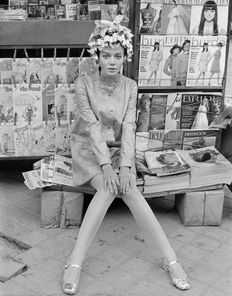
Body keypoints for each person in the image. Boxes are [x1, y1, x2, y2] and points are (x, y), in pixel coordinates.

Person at [62, 16, 191, 294]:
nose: (111, 61)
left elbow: (130, 127)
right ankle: (75, 261)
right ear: (97, 55)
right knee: (108, 189)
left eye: (117, 56)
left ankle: (171, 260)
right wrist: (108, 168)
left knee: (130, 189)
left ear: (125, 57)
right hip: (88, 150)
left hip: (120, 151)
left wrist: (126, 167)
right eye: (106, 55)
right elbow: (92, 126)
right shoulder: (84, 83)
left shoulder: (130, 86)